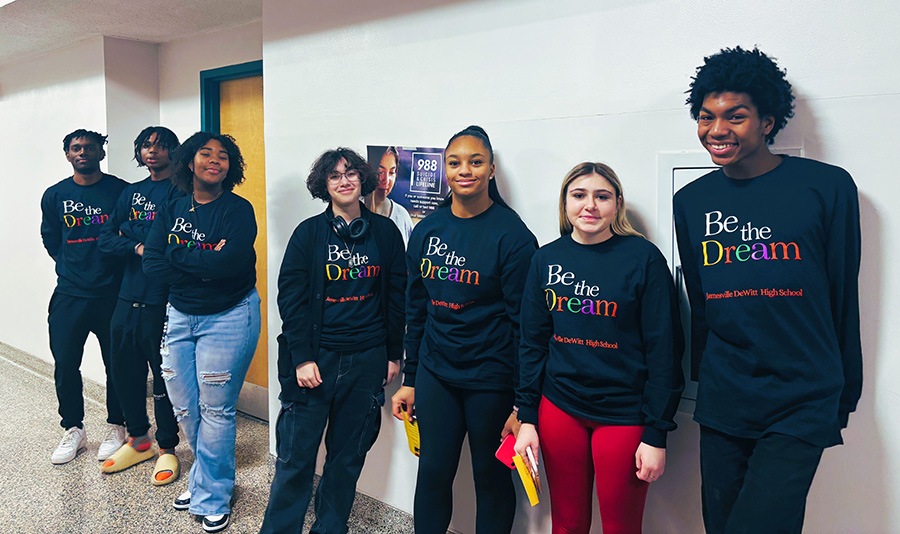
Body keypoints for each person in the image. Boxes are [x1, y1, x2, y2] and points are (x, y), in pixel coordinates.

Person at [674, 46, 862, 534]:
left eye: (735, 116)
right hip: (724, 396)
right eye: (705, 116)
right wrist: (699, 377)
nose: (717, 130)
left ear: (768, 120)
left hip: (803, 395)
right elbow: (701, 300)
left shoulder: (827, 187)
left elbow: (843, 293)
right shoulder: (691, 202)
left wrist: (846, 391)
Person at [514, 162, 684, 534]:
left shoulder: (644, 259)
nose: (590, 205)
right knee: (567, 523)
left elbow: (665, 351)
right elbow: (532, 343)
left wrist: (656, 434)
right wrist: (527, 417)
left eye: (602, 196)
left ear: (617, 204)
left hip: (624, 415)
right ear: (565, 203)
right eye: (579, 195)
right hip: (559, 409)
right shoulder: (546, 259)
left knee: (621, 527)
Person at [391, 125, 537, 533]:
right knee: (433, 474)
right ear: (445, 169)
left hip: (491, 379)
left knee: (490, 479)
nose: (464, 170)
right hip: (438, 375)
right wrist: (411, 378)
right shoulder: (427, 230)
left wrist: (523, 404)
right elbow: (416, 309)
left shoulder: (513, 236)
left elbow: (526, 328)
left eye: (475, 162)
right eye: (454, 162)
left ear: (491, 169)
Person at [260, 147, 406, 534]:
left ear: (363, 180)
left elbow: (396, 297)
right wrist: (302, 357)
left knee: (346, 461)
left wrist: (393, 355)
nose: (345, 181)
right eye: (335, 175)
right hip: (315, 362)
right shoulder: (308, 235)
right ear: (324, 185)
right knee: (295, 461)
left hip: (367, 361)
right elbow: (290, 299)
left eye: (351, 173)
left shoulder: (386, 233)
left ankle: (329, 529)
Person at [143, 132, 260, 533]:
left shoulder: (238, 210)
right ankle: (204, 479)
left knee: (216, 408)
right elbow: (152, 265)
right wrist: (200, 256)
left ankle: (213, 493)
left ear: (232, 166)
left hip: (229, 316)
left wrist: (178, 256)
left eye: (223, 156)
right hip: (180, 315)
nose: (215, 160)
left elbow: (229, 264)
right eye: (205, 154)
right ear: (189, 163)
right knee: (185, 407)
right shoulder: (172, 206)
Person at [97, 126, 183, 484]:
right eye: (146, 146)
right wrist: (136, 245)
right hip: (125, 296)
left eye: (160, 147)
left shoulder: (182, 192)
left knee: (163, 376)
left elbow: (176, 241)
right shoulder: (131, 193)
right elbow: (105, 238)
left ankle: (167, 448)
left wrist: (137, 236)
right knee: (125, 371)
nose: (152, 152)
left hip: (162, 299)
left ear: (173, 153)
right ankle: (138, 439)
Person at [40, 129, 129, 465]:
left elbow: (129, 232)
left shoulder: (120, 191)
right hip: (69, 294)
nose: (83, 153)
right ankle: (73, 429)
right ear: (67, 154)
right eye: (76, 148)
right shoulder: (55, 195)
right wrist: (70, 265)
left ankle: (116, 425)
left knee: (117, 365)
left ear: (100, 154)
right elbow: (51, 237)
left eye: (90, 148)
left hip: (112, 294)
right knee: (65, 364)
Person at [364, 146, 414, 245]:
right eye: (380, 172)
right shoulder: (353, 210)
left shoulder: (402, 215)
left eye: (391, 172)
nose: (386, 180)